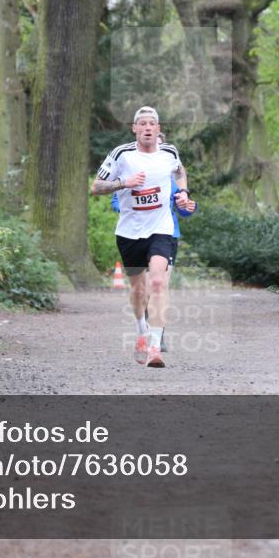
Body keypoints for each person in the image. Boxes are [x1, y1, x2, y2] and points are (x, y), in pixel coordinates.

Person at [91, 106, 195, 367]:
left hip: (161, 228)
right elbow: (96, 187)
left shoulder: (169, 152)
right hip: (129, 233)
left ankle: (155, 347)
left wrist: (183, 194)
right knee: (139, 290)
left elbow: (180, 172)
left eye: (152, 123)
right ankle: (141, 331)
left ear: (158, 129)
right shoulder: (121, 155)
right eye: (142, 123)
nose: (148, 127)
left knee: (158, 282)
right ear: (134, 128)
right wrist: (123, 183)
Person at [111, 132, 197, 352]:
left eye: (160, 146)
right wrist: (134, 206)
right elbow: (115, 201)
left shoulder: (171, 179)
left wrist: (187, 205)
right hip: (137, 234)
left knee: (159, 284)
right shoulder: (132, 173)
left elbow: (185, 209)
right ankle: (146, 329)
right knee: (144, 288)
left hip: (167, 235)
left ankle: (159, 337)